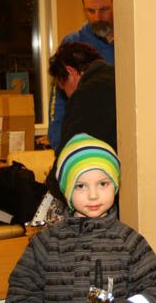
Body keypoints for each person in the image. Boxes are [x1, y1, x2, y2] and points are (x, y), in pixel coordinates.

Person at [5, 133, 156, 303]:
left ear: (115, 185)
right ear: (66, 190)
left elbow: (154, 291)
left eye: (103, 183)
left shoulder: (130, 241)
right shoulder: (45, 244)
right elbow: (20, 297)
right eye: (80, 186)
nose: (93, 195)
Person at [48, 0, 115, 150]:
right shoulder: (73, 43)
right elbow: (58, 102)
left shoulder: (132, 42)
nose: (97, 17)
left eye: (104, 9)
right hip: (86, 144)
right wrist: (60, 147)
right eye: (90, 11)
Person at [45, 41, 116, 200]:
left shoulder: (84, 95)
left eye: (63, 87)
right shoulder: (120, 77)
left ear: (70, 72)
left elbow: (69, 154)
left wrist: (52, 187)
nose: (67, 95)